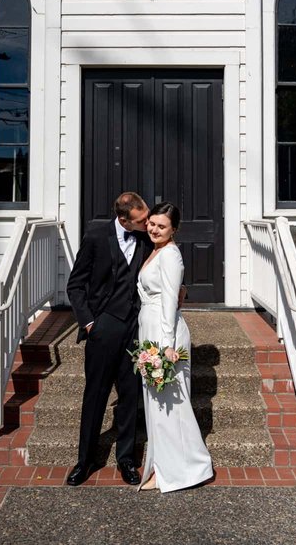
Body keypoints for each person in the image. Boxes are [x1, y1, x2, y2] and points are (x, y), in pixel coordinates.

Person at [65, 192, 150, 487]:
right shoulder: (96, 236)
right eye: (141, 220)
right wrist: (90, 323)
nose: (148, 223)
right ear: (124, 219)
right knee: (96, 394)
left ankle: (126, 460)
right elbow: (75, 285)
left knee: (130, 395)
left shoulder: (147, 237)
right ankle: (85, 460)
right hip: (103, 326)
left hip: (134, 328)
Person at [136, 201, 213, 492]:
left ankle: (182, 469)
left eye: (161, 226)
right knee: (157, 404)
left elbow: (169, 301)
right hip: (150, 329)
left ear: (174, 230)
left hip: (163, 334)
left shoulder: (170, 255)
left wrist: (166, 346)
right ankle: (161, 465)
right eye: (152, 223)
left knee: (169, 404)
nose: (154, 229)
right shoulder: (155, 250)